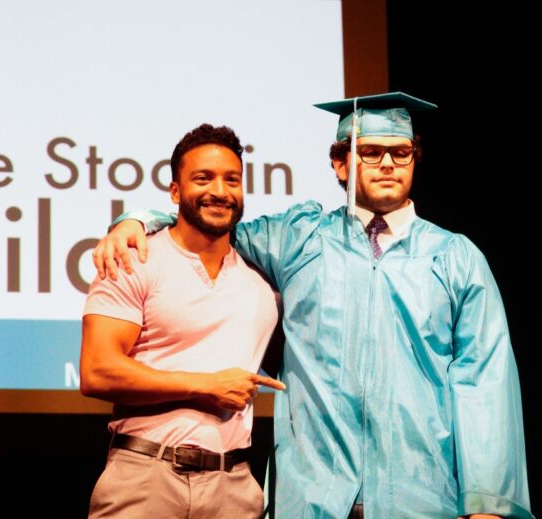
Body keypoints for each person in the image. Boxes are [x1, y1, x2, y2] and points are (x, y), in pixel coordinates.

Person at [91, 93, 533, 518]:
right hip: (315, 496)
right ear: (340, 164)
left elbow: (484, 382)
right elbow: (209, 217)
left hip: (420, 495)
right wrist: (136, 219)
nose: (386, 164)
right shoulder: (299, 239)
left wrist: (486, 507)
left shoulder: (455, 258)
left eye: (401, 153)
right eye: (371, 151)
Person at [80, 123, 285, 518]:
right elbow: (96, 371)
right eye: (203, 178)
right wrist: (204, 386)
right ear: (175, 191)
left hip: (234, 485)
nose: (220, 191)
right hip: (146, 478)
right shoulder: (131, 259)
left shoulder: (262, 281)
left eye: (232, 180)